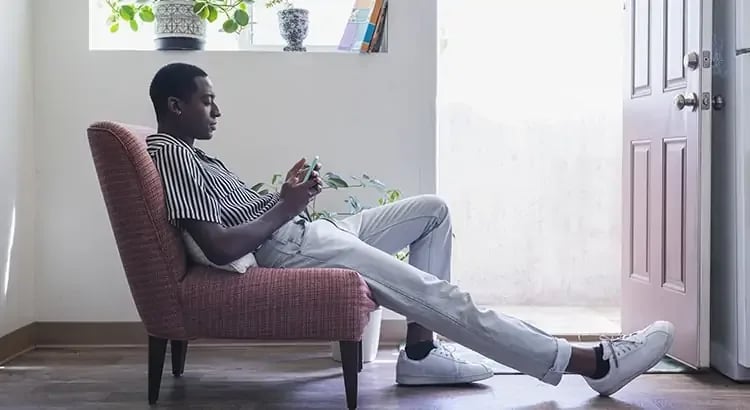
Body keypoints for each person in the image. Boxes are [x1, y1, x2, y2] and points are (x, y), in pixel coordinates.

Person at [145, 62, 674, 396]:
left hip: (303, 228)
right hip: (290, 246)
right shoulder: (169, 152)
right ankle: (590, 362)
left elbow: (236, 218)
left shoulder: (191, 153)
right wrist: (285, 207)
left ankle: (419, 354)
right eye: (206, 99)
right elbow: (217, 248)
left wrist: (292, 196)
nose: (218, 109)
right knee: (437, 295)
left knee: (432, 210)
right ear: (175, 105)